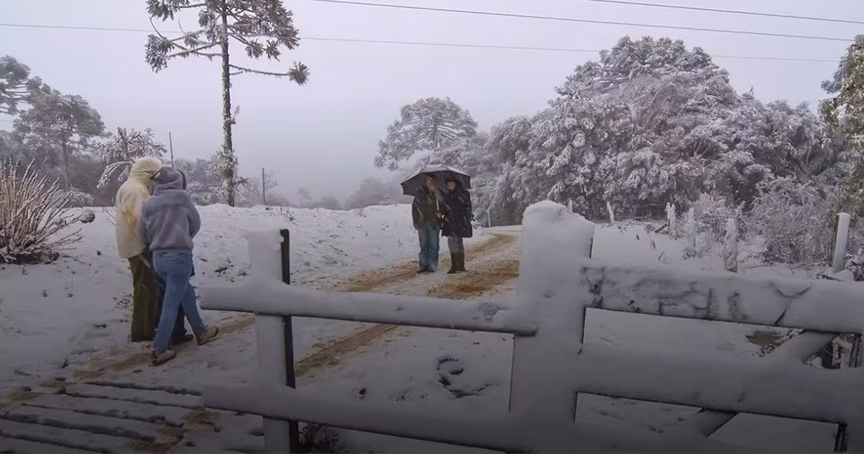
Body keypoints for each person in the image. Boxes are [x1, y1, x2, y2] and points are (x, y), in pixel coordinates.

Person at [138, 166, 218, 365]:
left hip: (158, 258)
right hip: (178, 257)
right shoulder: (181, 198)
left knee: (185, 293)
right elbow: (195, 223)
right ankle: (160, 349)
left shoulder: (149, 203)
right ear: (176, 181)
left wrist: (155, 244)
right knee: (171, 304)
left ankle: (201, 332)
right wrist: (183, 237)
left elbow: (141, 232)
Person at [115, 157, 190, 344]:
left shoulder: (133, 186)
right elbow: (139, 220)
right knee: (146, 290)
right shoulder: (136, 190)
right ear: (148, 174)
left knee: (149, 289)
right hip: (138, 247)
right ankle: (143, 332)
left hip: (137, 245)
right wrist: (154, 240)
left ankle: (150, 329)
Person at [412, 173, 442, 273]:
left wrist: (441, 214)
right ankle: (423, 264)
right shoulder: (420, 194)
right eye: (428, 180)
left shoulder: (438, 194)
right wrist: (416, 221)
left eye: (432, 181)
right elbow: (414, 209)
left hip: (434, 223)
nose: (430, 183)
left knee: (434, 245)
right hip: (422, 223)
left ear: (435, 182)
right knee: (424, 246)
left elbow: (445, 207)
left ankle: (432, 264)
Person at [442, 178, 473, 274]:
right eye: (448, 184)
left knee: (458, 242)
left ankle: (459, 265)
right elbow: (444, 209)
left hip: (460, 221)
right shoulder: (447, 196)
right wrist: (441, 214)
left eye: (451, 183)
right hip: (450, 221)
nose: (449, 185)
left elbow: (467, 207)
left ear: (455, 183)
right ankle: (455, 265)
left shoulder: (464, 194)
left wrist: (465, 217)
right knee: (452, 241)